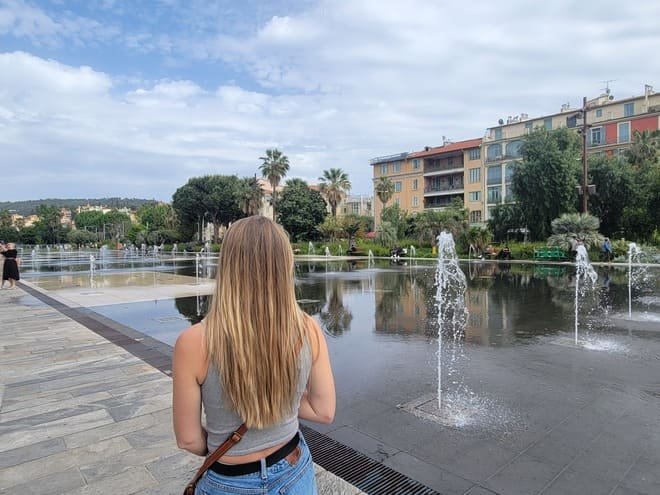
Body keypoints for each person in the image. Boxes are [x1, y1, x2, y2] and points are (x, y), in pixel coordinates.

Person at [173, 216, 335, 495]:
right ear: (284, 265)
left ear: (228, 265)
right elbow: (324, 411)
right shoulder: (308, 329)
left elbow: (188, 440)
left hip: (228, 479)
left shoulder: (193, 342)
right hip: (294, 472)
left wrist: (222, 443)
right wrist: (274, 399)